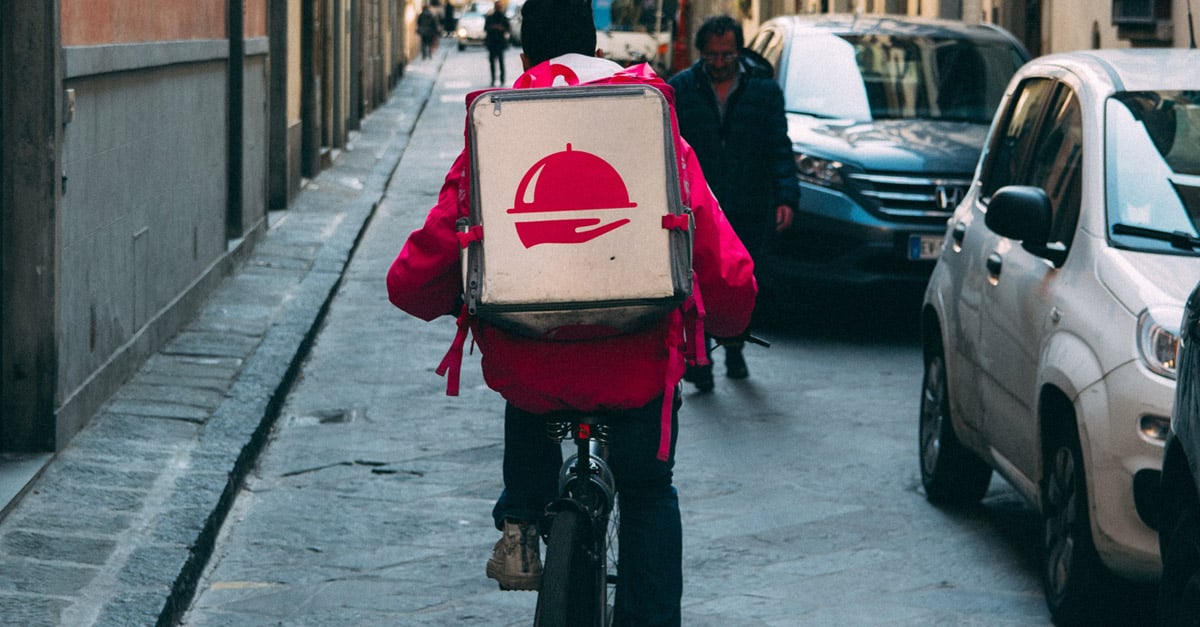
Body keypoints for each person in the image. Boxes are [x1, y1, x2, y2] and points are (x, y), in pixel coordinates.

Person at [385, 0, 756, 623]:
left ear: (526, 57)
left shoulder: (498, 127)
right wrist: (730, 317)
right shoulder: (647, 120)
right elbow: (719, 256)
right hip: (637, 367)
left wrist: (451, 297)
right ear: (599, 47)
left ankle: (521, 522)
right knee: (647, 493)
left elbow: (413, 277)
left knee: (524, 371)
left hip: (534, 374)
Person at [668, 14, 798, 391]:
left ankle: (736, 346)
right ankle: (701, 361)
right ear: (701, 53)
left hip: (749, 202)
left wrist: (787, 196)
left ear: (738, 52)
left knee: (742, 283)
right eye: (712, 56)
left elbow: (778, 147)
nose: (720, 63)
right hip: (700, 208)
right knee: (701, 285)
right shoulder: (683, 89)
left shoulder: (764, 91)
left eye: (726, 55)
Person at [484, 1, 511, 86]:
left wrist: (501, 28)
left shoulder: (503, 17)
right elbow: (486, 28)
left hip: (499, 43)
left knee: (500, 61)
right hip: (492, 42)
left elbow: (508, 28)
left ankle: (502, 79)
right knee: (493, 62)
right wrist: (494, 28)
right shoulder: (490, 17)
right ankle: (493, 79)